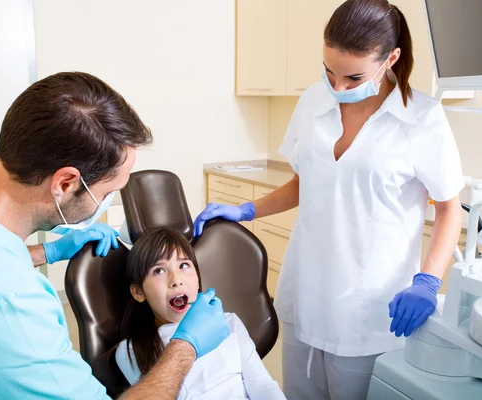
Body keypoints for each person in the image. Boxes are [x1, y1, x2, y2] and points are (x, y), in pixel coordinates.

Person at [0, 72, 230, 399]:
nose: (109, 199)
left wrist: (46, 253)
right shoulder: (12, 313)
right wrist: (185, 347)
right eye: (110, 189)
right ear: (65, 184)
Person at [193, 0, 464, 399]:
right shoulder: (312, 103)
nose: (338, 88)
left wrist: (428, 279)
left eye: (353, 78)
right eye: (329, 72)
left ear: (391, 58)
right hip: (307, 293)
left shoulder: (422, 119)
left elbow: (448, 208)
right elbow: (306, 182)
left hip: (368, 308)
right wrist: (247, 210)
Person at [114, 228, 285, 399]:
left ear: (197, 279)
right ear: (138, 292)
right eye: (158, 270)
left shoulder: (229, 322)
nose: (176, 280)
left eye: (184, 265)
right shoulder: (131, 351)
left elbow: (262, 384)